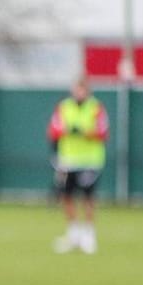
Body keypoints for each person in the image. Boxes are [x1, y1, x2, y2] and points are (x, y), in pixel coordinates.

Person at [47, 76, 108, 254]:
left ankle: (89, 235)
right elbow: (54, 129)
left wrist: (84, 132)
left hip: (89, 160)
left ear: (87, 91)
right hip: (68, 160)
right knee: (67, 196)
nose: (78, 93)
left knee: (88, 197)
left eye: (82, 89)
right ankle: (73, 234)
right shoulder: (64, 106)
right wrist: (68, 131)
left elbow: (102, 131)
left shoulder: (96, 107)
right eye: (76, 89)